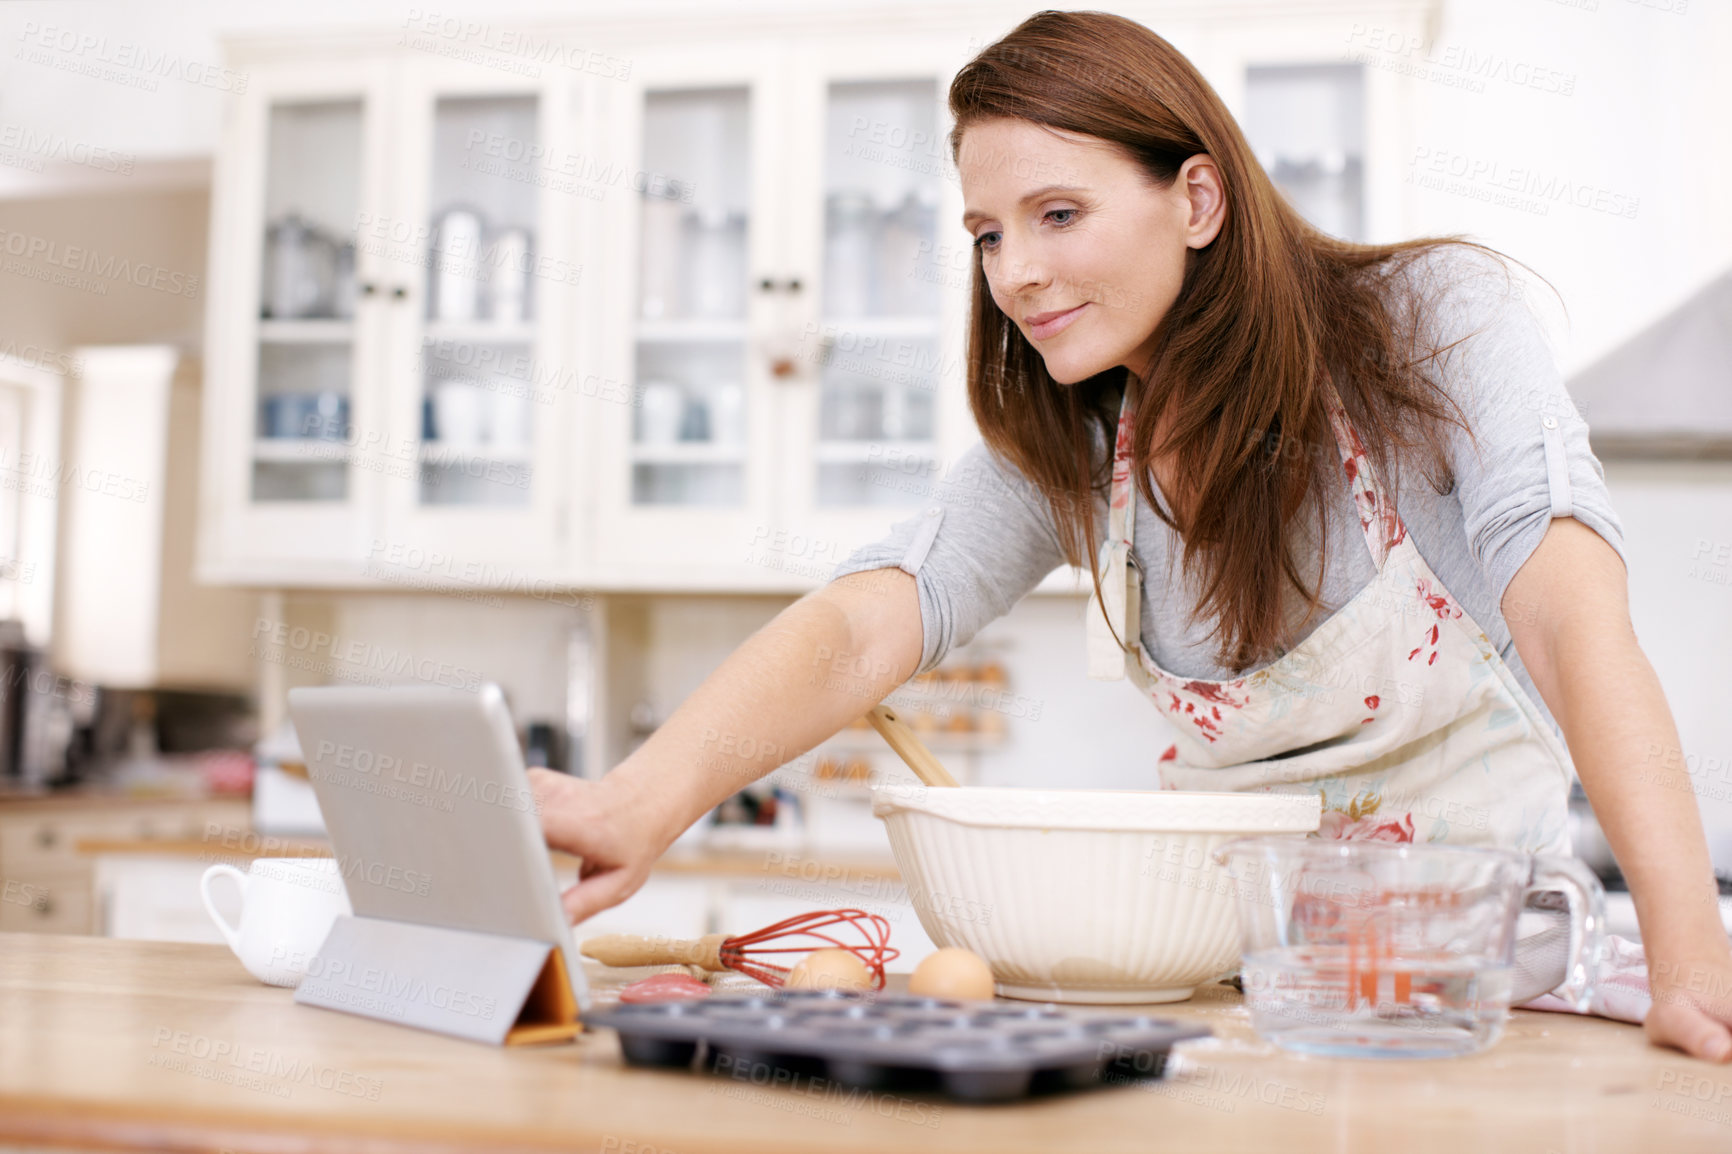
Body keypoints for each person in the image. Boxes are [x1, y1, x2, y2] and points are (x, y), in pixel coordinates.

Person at [531, 10, 1732, 1060]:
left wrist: (1688, 952)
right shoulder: (1072, 434)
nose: (1017, 271)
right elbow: (864, 624)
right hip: (1247, 1003)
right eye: (988, 232)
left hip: (1478, 1001)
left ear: (1196, 197)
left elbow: (1573, 619)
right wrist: (638, 800)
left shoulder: (1424, 327)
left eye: (1058, 212)